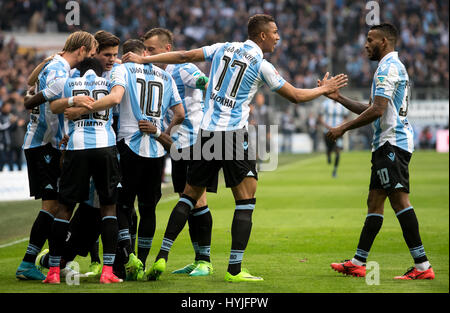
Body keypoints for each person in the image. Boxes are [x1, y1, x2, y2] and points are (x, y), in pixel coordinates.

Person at [123, 13, 347, 282]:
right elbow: (296, 97)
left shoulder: (222, 48)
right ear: (262, 35)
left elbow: (183, 56)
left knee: (188, 196)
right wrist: (324, 90)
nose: (278, 37)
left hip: (206, 134)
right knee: (245, 200)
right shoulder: (262, 65)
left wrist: (144, 59)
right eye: (275, 32)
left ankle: (162, 257)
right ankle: (234, 269)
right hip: (232, 136)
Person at [323, 23, 434, 280]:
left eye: (370, 39)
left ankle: (422, 266)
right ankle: (358, 262)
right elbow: (372, 107)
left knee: (399, 201)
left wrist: (343, 128)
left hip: (391, 144)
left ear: (384, 41)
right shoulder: (392, 66)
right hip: (388, 144)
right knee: (374, 202)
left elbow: (377, 111)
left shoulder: (387, 68)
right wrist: (339, 98)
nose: (365, 44)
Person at [74, 39, 183, 279]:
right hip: (156, 148)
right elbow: (180, 113)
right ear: (144, 52)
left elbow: (114, 101)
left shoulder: (121, 69)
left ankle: (127, 256)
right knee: (148, 209)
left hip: (127, 144)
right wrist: (161, 131)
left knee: (120, 204)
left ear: (125, 54)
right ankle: (142, 263)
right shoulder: (166, 75)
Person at [15, 31, 97, 281]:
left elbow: (31, 80)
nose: (90, 59)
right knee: (52, 206)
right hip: (42, 145)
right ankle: (28, 263)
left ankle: (51, 262)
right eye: (91, 53)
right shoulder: (60, 70)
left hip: (50, 145)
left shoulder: (56, 63)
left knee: (60, 205)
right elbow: (41, 97)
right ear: (82, 50)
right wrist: (30, 102)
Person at [141, 28, 214, 277]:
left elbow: (209, 84)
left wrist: (203, 113)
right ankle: (198, 259)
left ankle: (205, 260)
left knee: (197, 199)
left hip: (197, 141)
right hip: (179, 144)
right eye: (145, 49)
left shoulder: (181, 68)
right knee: (191, 201)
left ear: (167, 49)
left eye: (151, 50)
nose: (147, 54)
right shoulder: (158, 74)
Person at [43, 57, 122, 284]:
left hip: (76, 147)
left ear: (80, 70)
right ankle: (107, 271)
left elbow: (53, 106)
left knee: (65, 207)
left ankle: (54, 271)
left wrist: (73, 101)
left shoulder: (70, 83)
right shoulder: (109, 84)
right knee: (108, 207)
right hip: (105, 146)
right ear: (99, 71)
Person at [318, 98, 349, 177]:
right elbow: (320, 117)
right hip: (327, 131)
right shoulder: (325, 104)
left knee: (338, 150)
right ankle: (328, 155)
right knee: (329, 149)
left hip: (338, 133)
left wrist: (341, 126)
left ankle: (335, 171)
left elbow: (346, 117)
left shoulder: (342, 104)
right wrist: (327, 126)